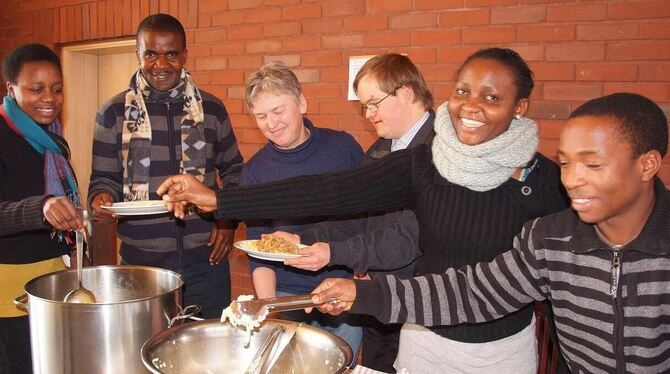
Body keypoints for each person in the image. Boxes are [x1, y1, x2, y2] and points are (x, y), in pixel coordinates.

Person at [158, 48, 569, 373]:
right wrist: (220, 199)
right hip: (422, 335)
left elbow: (561, 289)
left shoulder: (546, 182)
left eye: (492, 96)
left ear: (519, 107)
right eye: (462, 91)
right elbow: (329, 193)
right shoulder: (424, 164)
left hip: (499, 352)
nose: (471, 105)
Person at [308, 92, 670, 373]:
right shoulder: (550, 240)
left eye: (592, 164)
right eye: (565, 163)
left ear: (647, 164)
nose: (572, 180)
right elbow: (471, 291)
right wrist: (365, 293)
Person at [277, 53, 435, 373]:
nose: (369, 114)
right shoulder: (380, 149)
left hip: (423, 305)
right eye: (365, 106)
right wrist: (303, 239)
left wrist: (336, 253)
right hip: (377, 297)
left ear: (405, 92)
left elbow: (408, 237)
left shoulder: (440, 151)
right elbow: (356, 216)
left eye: (374, 103)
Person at [88, 14, 243, 318]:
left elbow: (235, 170)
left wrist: (229, 220)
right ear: (138, 55)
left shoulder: (212, 109)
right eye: (151, 54)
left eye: (171, 54)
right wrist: (100, 198)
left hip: (207, 262)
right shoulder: (112, 113)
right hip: (140, 265)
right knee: (142, 354)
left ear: (184, 55)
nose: (161, 65)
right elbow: (103, 178)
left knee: (207, 355)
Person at [240, 60, 364, 359]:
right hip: (288, 296)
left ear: (302, 103)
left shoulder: (343, 147)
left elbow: (369, 219)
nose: (271, 123)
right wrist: (270, 306)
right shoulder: (255, 172)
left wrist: (361, 278)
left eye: (278, 111)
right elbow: (258, 250)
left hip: (342, 290)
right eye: (261, 116)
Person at [0, 44, 85, 374]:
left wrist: (74, 244)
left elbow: (66, 199)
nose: (49, 98)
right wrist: (42, 206)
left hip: (49, 279)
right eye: (36, 89)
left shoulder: (52, 139)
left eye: (57, 89)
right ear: (11, 88)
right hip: (7, 288)